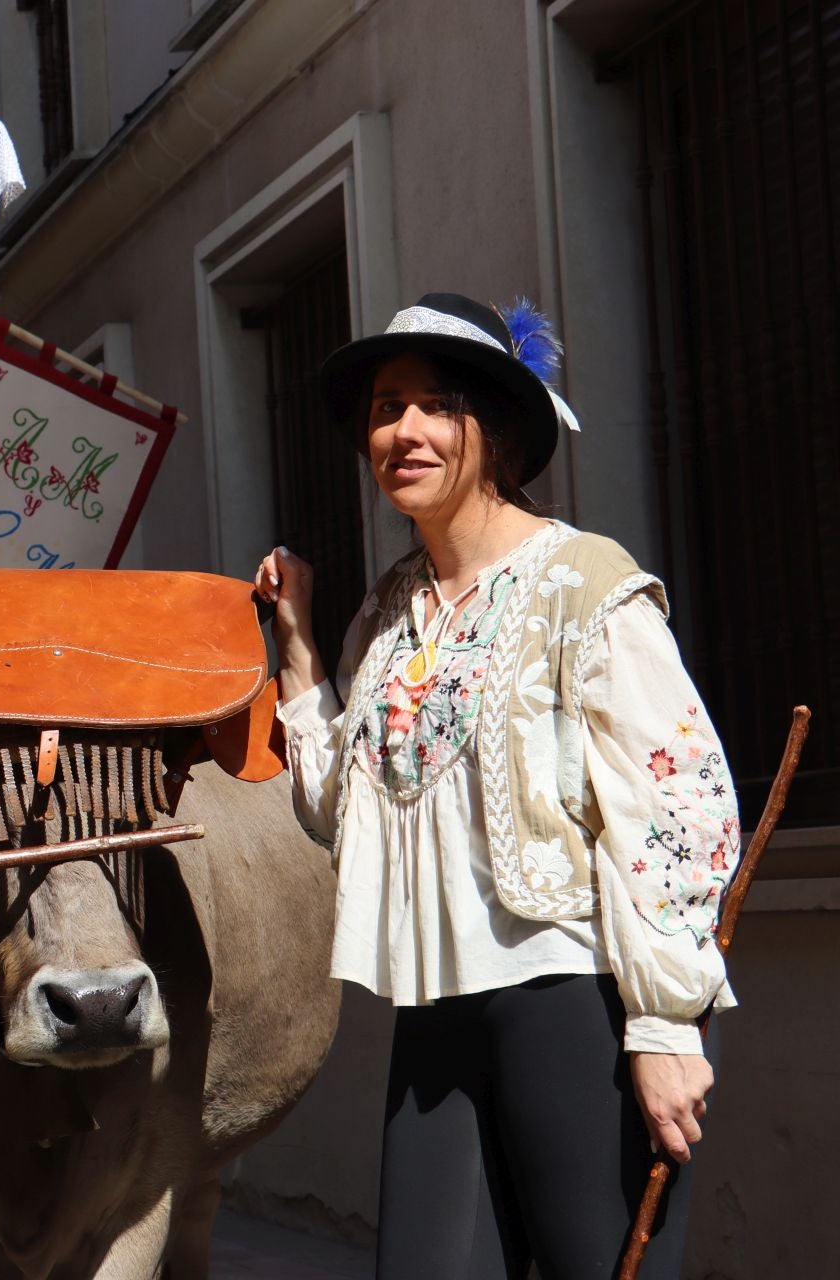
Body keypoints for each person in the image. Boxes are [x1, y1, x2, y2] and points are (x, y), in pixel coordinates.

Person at [256, 294, 736, 1279]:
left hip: (572, 1003)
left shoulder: (584, 584)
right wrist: (300, 650)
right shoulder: (389, 614)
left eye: (438, 404)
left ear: (499, 427)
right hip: (435, 1017)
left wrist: (664, 1022)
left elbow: (679, 803)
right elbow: (341, 808)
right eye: (387, 408)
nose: (406, 430)